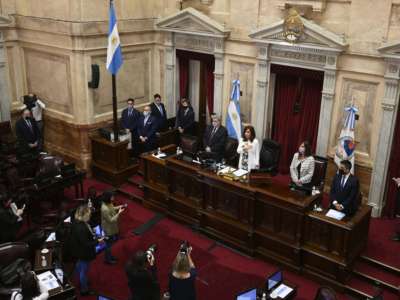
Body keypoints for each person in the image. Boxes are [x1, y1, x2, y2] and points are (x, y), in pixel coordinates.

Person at [69, 205, 103, 296]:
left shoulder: (77, 222)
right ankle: (84, 290)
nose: (90, 216)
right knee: (84, 271)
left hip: (78, 251)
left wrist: (91, 233)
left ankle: (77, 280)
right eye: (88, 214)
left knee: (79, 266)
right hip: (83, 253)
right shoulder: (81, 228)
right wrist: (98, 241)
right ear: (84, 215)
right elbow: (86, 244)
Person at [101, 191, 125, 264]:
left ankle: (110, 256)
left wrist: (119, 207)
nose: (113, 198)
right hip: (108, 229)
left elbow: (112, 208)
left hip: (112, 227)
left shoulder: (108, 203)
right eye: (112, 197)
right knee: (108, 245)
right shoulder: (104, 208)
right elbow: (110, 220)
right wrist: (119, 213)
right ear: (108, 198)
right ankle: (107, 260)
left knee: (111, 242)